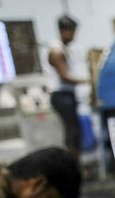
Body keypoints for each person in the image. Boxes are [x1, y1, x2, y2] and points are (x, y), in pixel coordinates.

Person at [48, 15, 87, 161]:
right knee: (73, 132)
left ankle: (74, 164)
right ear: (64, 31)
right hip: (61, 96)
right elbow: (64, 76)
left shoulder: (63, 49)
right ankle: (73, 166)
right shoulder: (56, 50)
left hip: (65, 95)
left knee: (73, 132)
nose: (74, 36)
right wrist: (88, 80)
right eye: (73, 32)